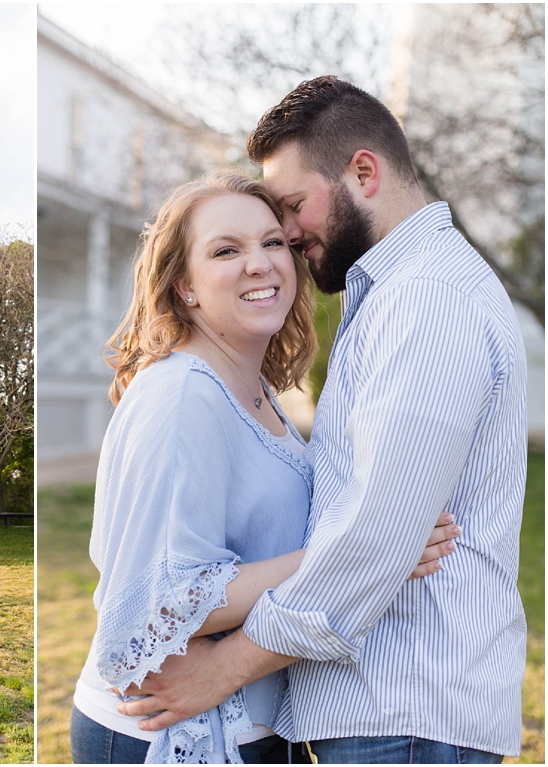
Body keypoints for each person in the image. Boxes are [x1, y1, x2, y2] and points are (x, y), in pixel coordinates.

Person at [117, 76, 527, 765]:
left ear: (362, 172)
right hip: (393, 711)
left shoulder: (425, 300)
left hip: (405, 711)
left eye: (293, 206)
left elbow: (373, 537)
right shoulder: (398, 292)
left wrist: (223, 669)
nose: (288, 234)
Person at [70, 171, 459, 764]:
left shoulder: (256, 390)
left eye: (272, 242)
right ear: (185, 286)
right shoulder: (181, 395)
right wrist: (368, 551)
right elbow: (161, 597)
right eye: (227, 250)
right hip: (165, 729)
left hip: (253, 720)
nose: (260, 263)